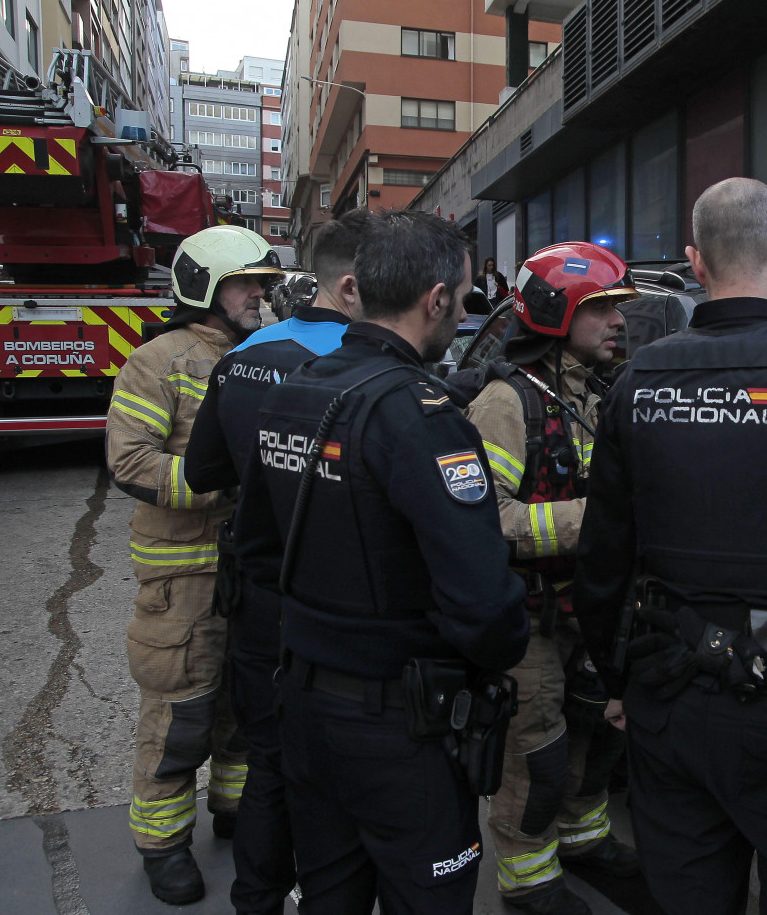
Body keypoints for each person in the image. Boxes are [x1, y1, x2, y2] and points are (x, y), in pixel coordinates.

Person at [573, 177, 767, 915]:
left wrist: (612, 680)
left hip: (667, 703)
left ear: (695, 262)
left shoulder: (634, 383)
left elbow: (604, 554)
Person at [234, 209, 530, 915]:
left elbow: (253, 549)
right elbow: (484, 604)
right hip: (400, 725)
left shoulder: (291, 390)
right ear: (433, 300)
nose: (460, 314)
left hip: (305, 706)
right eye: (459, 301)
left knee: (330, 893)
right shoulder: (421, 417)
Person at [183, 210, 370, 915]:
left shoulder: (245, 354)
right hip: (340, 601)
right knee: (344, 770)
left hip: (258, 590)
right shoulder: (366, 364)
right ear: (354, 285)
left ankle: (255, 898)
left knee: (269, 760)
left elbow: (203, 470)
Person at [106, 225, 284, 906]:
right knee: (179, 716)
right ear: (204, 286)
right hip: (182, 578)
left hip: (247, 572)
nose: (259, 296)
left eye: (263, 285)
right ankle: (162, 844)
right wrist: (223, 478)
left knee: (242, 704)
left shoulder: (262, 355)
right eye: (247, 284)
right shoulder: (158, 361)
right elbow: (130, 463)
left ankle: (233, 810)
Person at [465, 243, 641, 915]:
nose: (616, 322)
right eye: (599, 308)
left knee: (595, 736)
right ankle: (528, 877)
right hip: (530, 618)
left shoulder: (596, 394)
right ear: (552, 312)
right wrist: (596, 520)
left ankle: (584, 838)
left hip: (589, 611)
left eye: (617, 309)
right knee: (535, 755)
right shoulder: (505, 404)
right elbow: (487, 518)